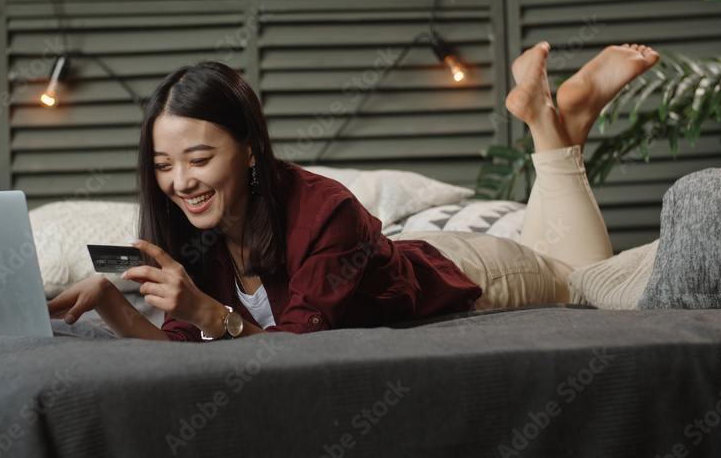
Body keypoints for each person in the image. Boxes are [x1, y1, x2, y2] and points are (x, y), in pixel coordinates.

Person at [47, 42, 660, 341]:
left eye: (199, 158)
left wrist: (209, 312)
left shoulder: (325, 212)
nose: (180, 182)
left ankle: (557, 126)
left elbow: (297, 362)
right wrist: (112, 302)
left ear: (251, 148)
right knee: (572, 261)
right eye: (162, 165)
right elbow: (180, 357)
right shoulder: (196, 233)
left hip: (476, 272)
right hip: (389, 255)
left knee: (580, 278)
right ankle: (561, 122)